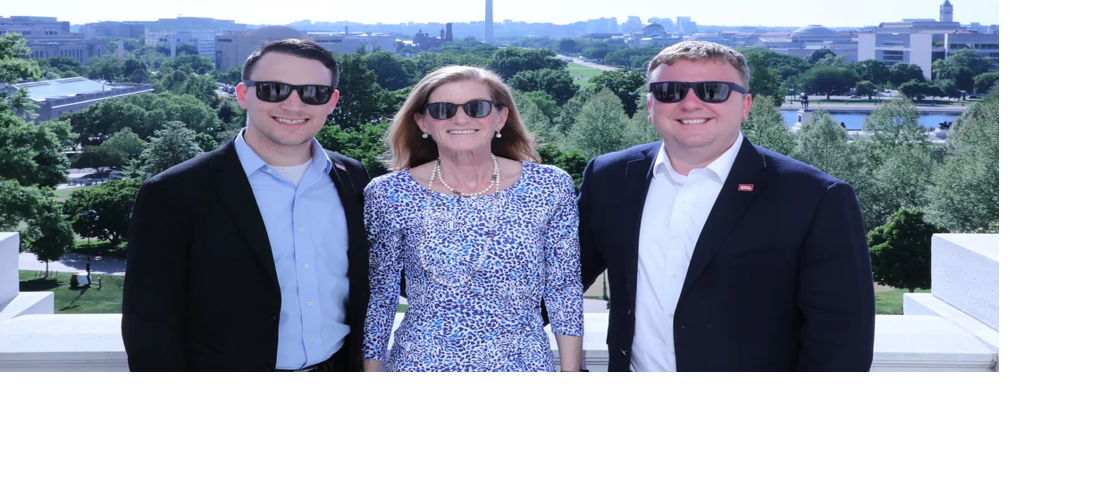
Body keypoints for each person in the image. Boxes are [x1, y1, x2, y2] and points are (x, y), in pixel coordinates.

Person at [578, 41, 875, 371]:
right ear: (651, 105)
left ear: (745, 105)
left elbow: (842, 337)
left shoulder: (816, 197)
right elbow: (558, 279)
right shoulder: (609, 178)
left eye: (713, 91)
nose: (690, 103)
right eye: (670, 91)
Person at [122, 39, 371, 372]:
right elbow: (149, 324)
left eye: (313, 92)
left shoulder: (352, 176)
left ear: (332, 102)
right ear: (242, 94)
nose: (293, 105)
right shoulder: (173, 192)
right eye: (273, 89)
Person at [363, 65, 583, 372]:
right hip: (421, 364)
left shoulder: (550, 186)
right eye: (443, 110)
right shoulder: (388, 193)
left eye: (477, 108)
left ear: (500, 118)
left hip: (523, 364)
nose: (461, 118)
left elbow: (564, 289)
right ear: (423, 121)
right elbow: (380, 298)